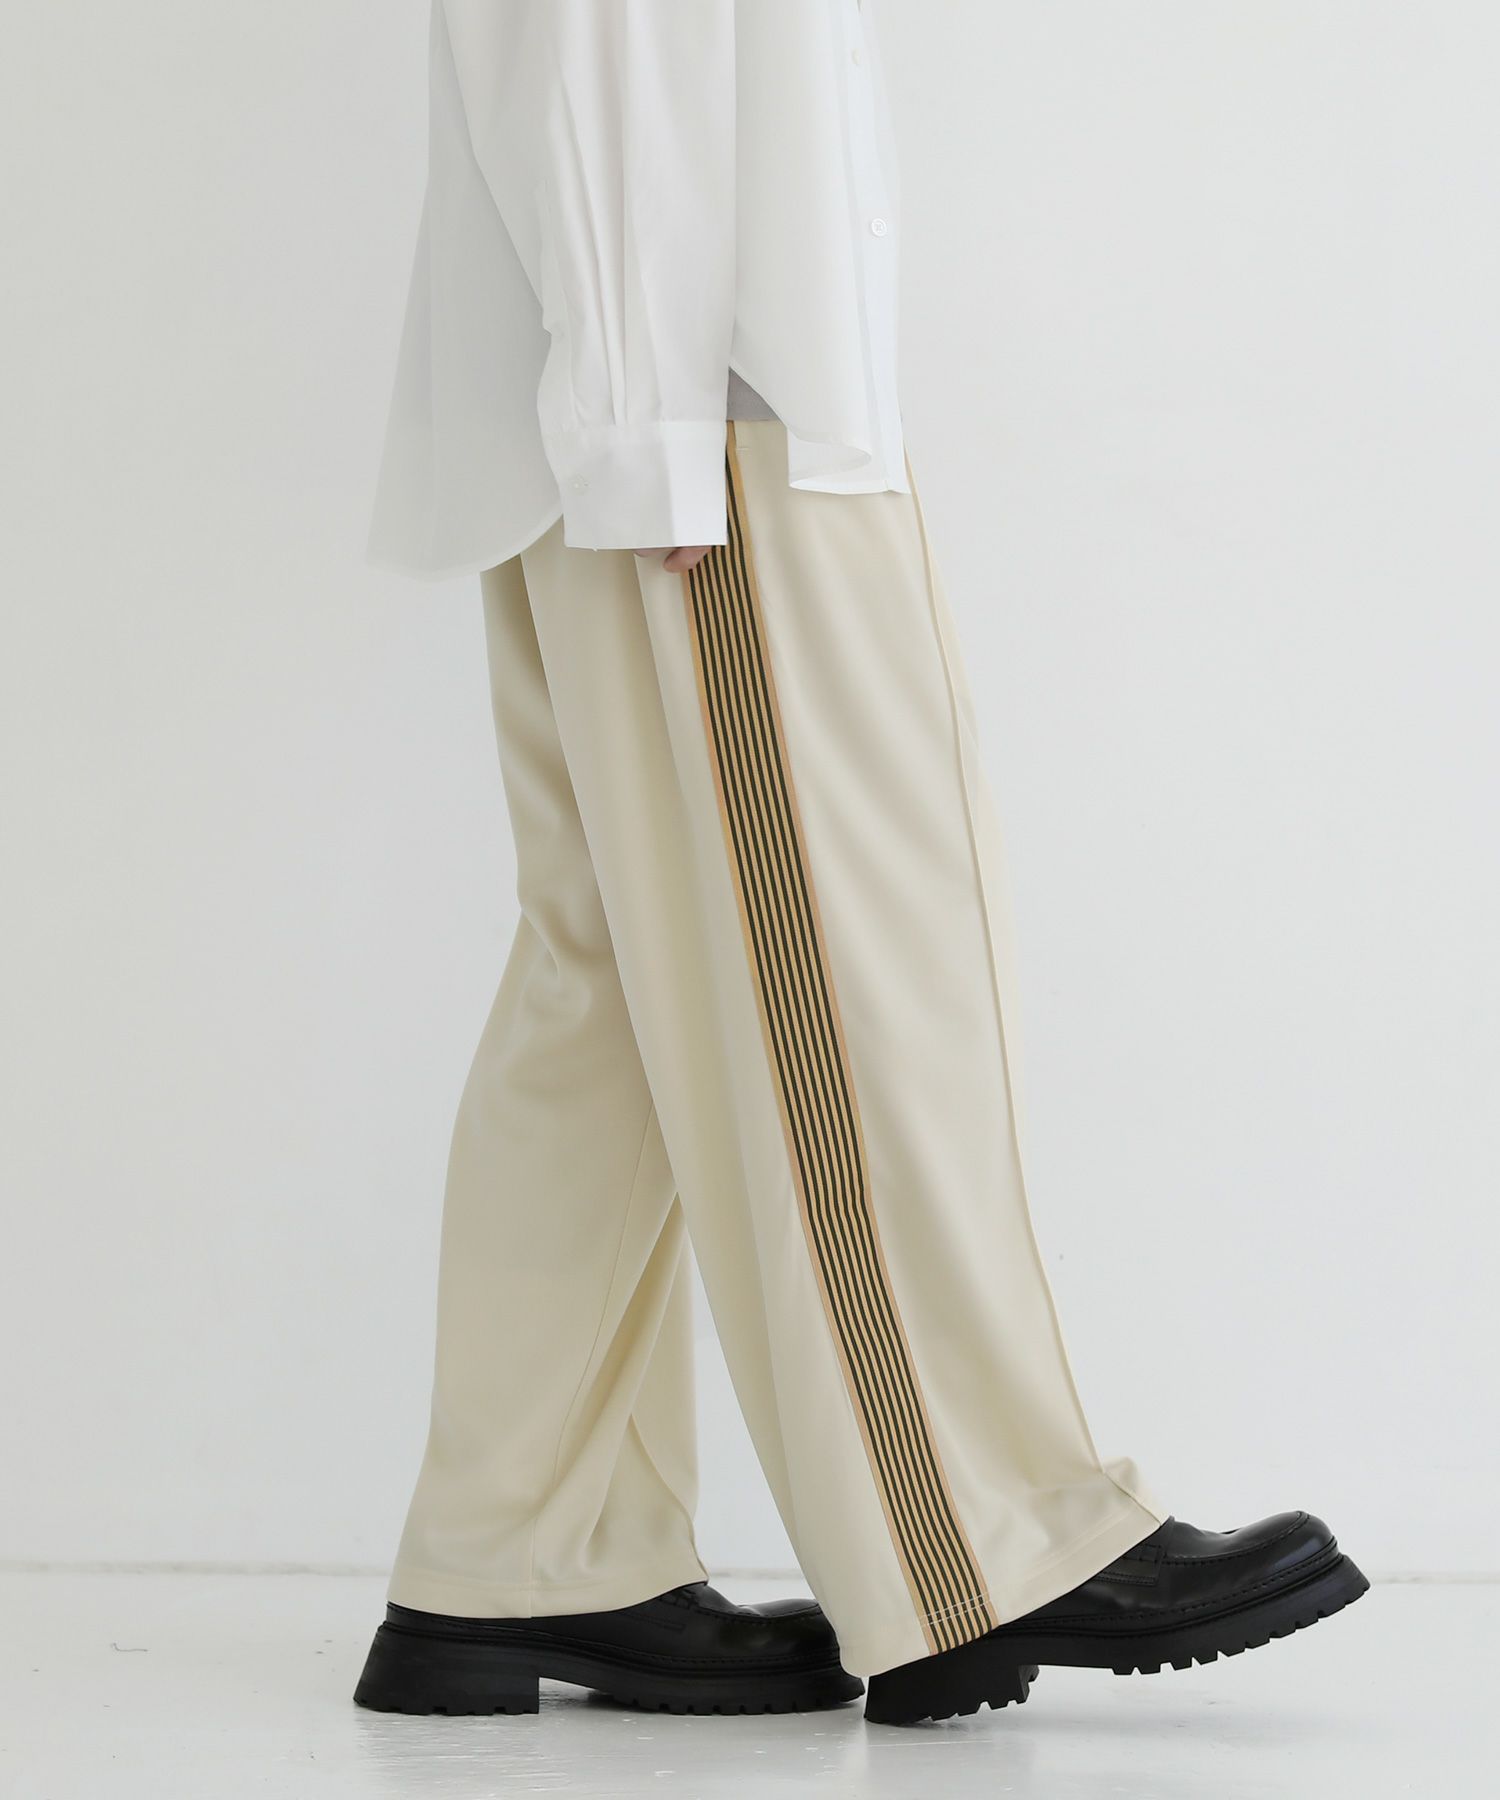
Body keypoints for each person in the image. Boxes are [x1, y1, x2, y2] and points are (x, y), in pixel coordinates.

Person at [353, 1, 1366, 1727]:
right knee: (855, 957)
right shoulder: (673, 426)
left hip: (646, 400)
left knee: (614, 993)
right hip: (702, 426)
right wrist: (646, 427)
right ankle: (984, 1538)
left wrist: (625, 410)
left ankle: (522, 1543)